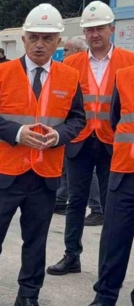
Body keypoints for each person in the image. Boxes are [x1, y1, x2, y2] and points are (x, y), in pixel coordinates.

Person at [0, 3, 85, 306]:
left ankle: (28, 296)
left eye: (47, 39)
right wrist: (17, 132)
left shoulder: (69, 76)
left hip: (44, 175)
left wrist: (59, 135)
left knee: (36, 240)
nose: (39, 44)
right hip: (3, 173)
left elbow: (77, 119)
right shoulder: (1, 72)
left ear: (58, 41)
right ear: (23, 38)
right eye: (33, 37)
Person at [47, 1, 134, 277]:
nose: (94, 34)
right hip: (80, 141)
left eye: (99, 29)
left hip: (114, 144)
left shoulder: (129, 62)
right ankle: (71, 255)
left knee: (112, 208)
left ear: (111, 29)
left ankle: (107, 266)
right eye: (89, 30)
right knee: (75, 201)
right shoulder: (71, 65)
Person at [79, 61, 134, 306]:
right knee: (114, 238)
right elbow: (115, 120)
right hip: (124, 171)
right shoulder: (124, 77)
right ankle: (105, 296)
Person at [55, 36, 104, 224]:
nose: (63, 53)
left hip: (92, 133)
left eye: (66, 50)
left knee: (88, 174)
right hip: (74, 131)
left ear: (76, 51)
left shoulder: (84, 68)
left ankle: (97, 208)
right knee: (67, 169)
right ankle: (60, 200)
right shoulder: (72, 67)